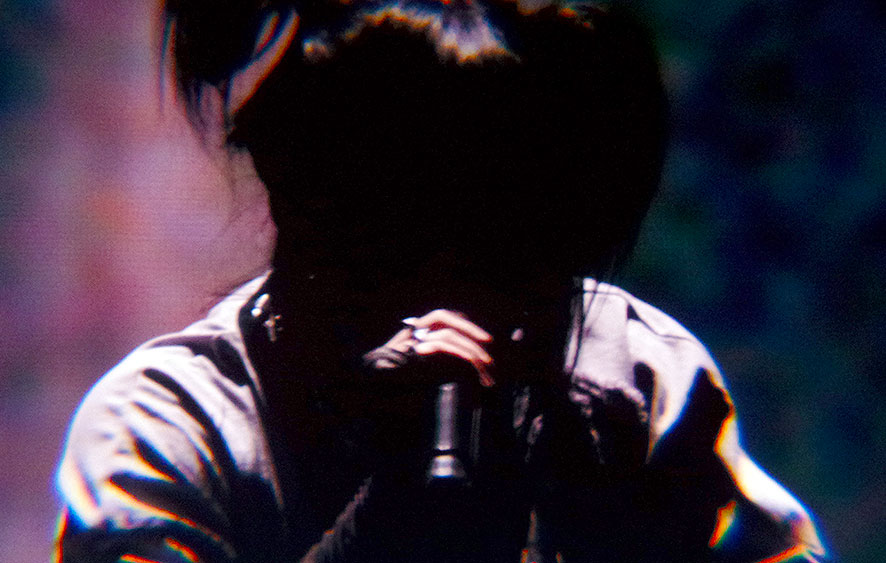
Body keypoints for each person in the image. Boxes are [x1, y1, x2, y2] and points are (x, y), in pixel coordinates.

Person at [54, 0, 827, 561]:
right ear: (299, 205)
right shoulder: (163, 426)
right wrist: (388, 522)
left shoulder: (631, 370)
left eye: (507, 258)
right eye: (396, 253)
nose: (461, 318)